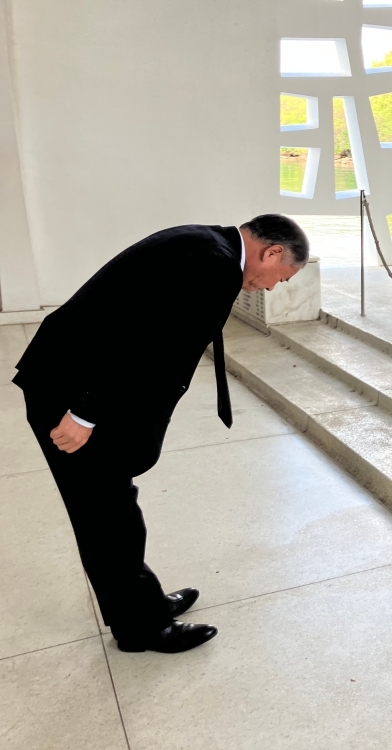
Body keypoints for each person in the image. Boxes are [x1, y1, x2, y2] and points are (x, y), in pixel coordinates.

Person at [13, 215, 309, 653]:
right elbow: (135, 339)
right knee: (105, 516)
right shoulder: (211, 264)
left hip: (73, 381)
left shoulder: (207, 245)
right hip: (73, 393)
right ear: (272, 252)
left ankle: (142, 604)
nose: (270, 287)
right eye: (279, 278)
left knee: (112, 508)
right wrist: (85, 413)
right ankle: (141, 627)